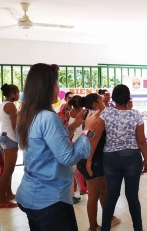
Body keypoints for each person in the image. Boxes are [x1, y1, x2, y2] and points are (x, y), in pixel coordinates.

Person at [15, 63, 100, 230]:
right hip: (50, 200)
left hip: (29, 195)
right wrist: (88, 130)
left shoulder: (25, 115)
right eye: (56, 84)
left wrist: (74, 125)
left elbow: (48, 142)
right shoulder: (48, 117)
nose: (58, 88)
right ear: (46, 87)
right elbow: (68, 157)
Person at [92, 84, 147, 231]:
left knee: (111, 195)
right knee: (132, 196)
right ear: (128, 98)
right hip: (132, 157)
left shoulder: (106, 114)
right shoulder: (135, 114)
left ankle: (105, 228)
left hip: (110, 158)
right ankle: (138, 228)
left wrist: (89, 158)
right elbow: (141, 140)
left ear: (114, 98)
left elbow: (96, 137)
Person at [77, 93, 121, 231]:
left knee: (104, 191)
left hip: (96, 159)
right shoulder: (95, 118)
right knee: (94, 195)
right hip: (92, 159)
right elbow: (91, 138)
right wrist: (89, 160)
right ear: (96, 104)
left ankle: (109, 217)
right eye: (101, 101)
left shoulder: (92, 115)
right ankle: (92, 226)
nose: (104, 102)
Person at [0, 83, 20, 208]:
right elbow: (14, 125)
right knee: (8, 170)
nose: (19, 95)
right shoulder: (11, 106)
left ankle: (9, 193)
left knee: (8, 169)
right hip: (10, 138)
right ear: (12, 94)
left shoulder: (3, 104)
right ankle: (2, 199)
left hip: (4, 136)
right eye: (17, 92)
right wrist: (20, 139)